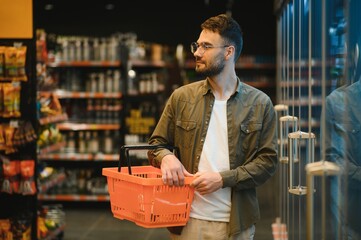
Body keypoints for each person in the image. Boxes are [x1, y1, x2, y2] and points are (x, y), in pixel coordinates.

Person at [147, 13, 278, 240]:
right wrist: (166, 157)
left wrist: (223, 179)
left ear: (229, 52)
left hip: (236, 223)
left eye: (206, 46)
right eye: (197, 45)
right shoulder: (181, 97)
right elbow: (156, 144)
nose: (197, 53)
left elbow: (267, 162)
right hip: (187, 219)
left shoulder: (259, 103)